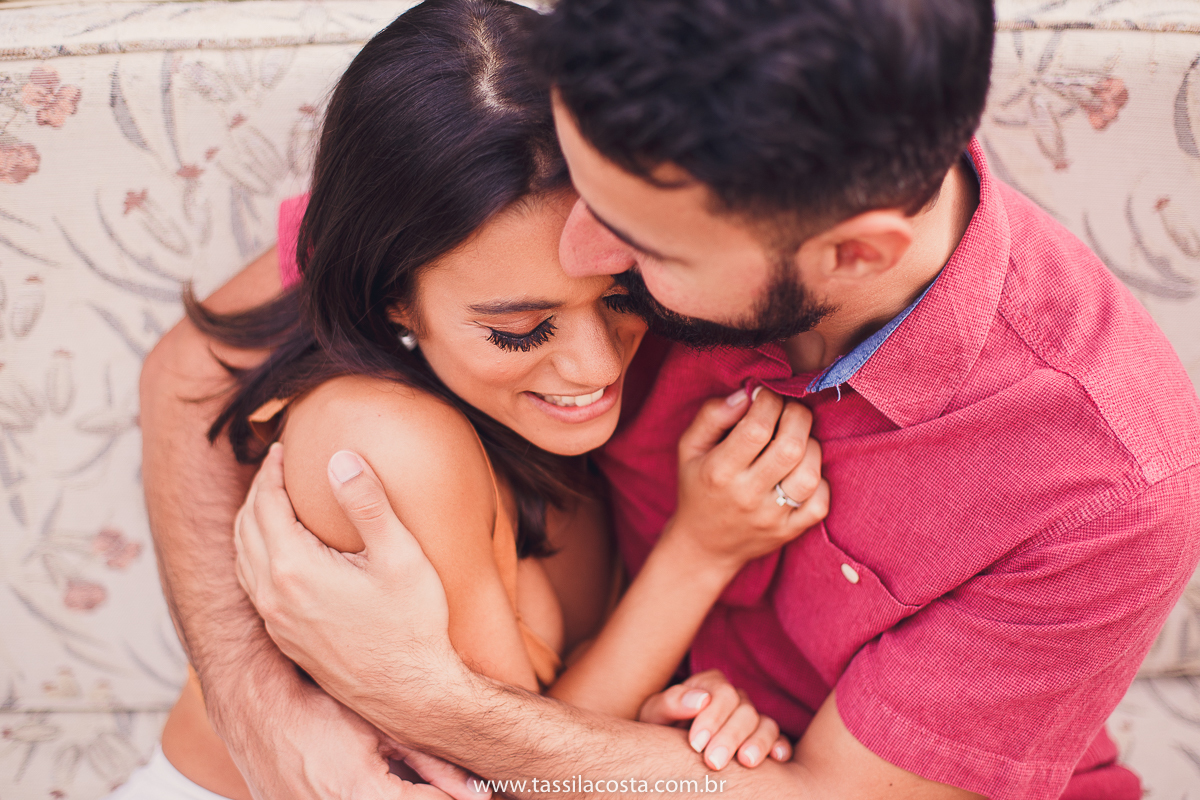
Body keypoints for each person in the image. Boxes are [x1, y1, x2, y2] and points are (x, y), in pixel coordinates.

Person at [229, 0, 1200, 799]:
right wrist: (263, 706)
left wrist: (433, 706)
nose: (581, 251)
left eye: (635, 258)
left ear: (854, 253)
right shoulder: (626, 134)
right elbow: (199, 360)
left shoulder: (1110, 484)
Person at [130, 2, 830, 799]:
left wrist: (672, 726)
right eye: (519, 330)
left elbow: (539, 736)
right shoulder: (377, 448)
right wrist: (698, 555)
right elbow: (504, 776)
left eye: (622, 294)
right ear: (394, 299)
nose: (598, 364)